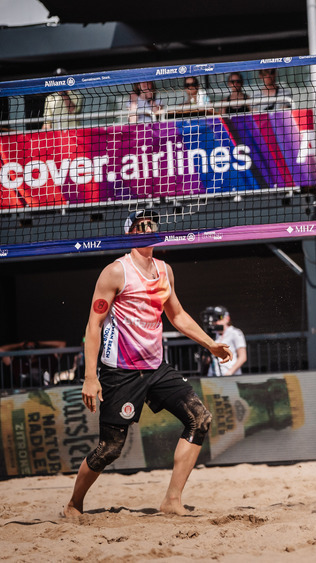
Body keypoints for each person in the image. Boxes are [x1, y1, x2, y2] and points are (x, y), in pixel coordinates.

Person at [63, 210, 232, 517]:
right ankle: (74, 503)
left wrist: (211, 344)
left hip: (156, 368)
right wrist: (90, 376)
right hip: (121, 372)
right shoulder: (115, 272)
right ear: (129, 234)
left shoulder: (164, 271)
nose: (150, 227)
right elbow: (93, 326)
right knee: (110, 448)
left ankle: (171, 500)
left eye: (153, 222)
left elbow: (177, 315)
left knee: (200, 419)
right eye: (142, 224)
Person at [0, 339, 67, 387]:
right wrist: (20, 345)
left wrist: (40, 344)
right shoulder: (17, 363)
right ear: (23, 349)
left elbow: (62, 344)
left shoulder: (46, 361)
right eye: (27, 348)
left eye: (33, 347)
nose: (30, 350)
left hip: (44, 394)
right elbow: (0, 350)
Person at [200, 305, 248, 376]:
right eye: (214, 318)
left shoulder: (235, 332)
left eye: (220, 317)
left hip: (230, 376)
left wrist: (230, 372)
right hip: (212, 375)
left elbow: (243, 357)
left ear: (227, 318)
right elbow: (206, 359)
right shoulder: (212, 334)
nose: (217, 321)